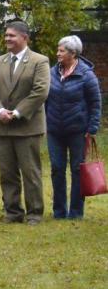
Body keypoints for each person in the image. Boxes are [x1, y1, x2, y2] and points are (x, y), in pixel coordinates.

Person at [0, 20, 50, 225]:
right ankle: (13, 212)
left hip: (27, 127)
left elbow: (40, 91)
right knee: (7, 173)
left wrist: (17, 112)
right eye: (6, 35)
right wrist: (0, 111)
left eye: (11, 35)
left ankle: (34, 213)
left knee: (30, 172)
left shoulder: (39, 61)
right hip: (2, 127)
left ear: (24, 37)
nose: (7, 39)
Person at [45, 35, 101, 220]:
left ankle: (76, 212)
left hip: (78, 131)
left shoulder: (87, 75)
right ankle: (59, 212)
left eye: (61, 51)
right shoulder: (52, 72)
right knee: (56, 169)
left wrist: (92, 128)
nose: (58, 53)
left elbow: (95, 103)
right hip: (54, 131)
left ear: (73, 53)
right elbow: (45, 99)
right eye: (58, 50)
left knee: (77, 170)